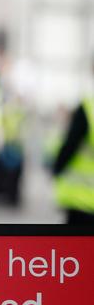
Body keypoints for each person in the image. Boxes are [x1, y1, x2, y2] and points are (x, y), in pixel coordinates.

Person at [53, 96, 94, 224]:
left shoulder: (89, 107)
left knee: (76, 242)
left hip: (83, 198)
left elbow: (70, 145)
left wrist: (56, 168)